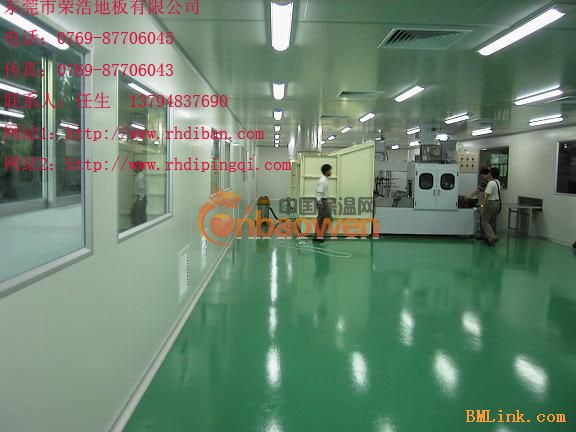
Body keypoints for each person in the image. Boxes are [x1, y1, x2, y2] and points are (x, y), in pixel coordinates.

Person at [480, 167, 502, 246]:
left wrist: (482, 206)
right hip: (497, 204)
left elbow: (486, 196)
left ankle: (492, 238)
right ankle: (488, 238)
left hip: (491, 204)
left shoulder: (491, 183)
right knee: (492, 222)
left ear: (491, 174)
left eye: (489, 173)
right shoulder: (497, 182)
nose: (488, 174)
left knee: (484, 221)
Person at [314, 164, 332, 242]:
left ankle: (317, 236)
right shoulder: (323, 181)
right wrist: (320, 203)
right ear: (326, 171)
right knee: (327, 219)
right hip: (322, 201)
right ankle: (319, 236)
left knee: (321, 219)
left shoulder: (324, 179)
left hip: (323, 201)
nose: (331, 172)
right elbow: (318, 193)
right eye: (330, 170)